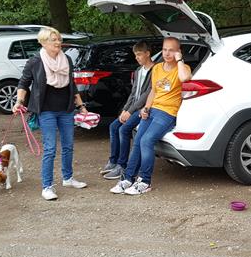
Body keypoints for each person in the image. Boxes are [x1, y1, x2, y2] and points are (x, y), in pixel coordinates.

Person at [12, 26, 88, 201]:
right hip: (46, 111)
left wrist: (81, 105)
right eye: (53, 40)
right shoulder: (35, 61)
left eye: (59, 39)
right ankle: (47, 186)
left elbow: (71, 84)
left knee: (68, 146)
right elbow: (23, 83)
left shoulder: (66, 59)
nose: (58, 42)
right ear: (43, 43)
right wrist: (18, 102)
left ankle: (68, 178)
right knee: (50, 149)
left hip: (66, 109)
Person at [110, 37, 191, 195]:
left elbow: (184, 78)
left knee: (147, 141)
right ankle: (128, 178)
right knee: (138, 141)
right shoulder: (158, 68)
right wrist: (146, 108)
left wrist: (179, 59)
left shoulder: (183, 67)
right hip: (152, 109)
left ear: (178, 52)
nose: (167, 53)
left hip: (168, 112)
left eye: (171, 50)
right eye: (165, 49)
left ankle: (145, 181)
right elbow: (154, 91)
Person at [100, 42, 156, 180]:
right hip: (132, 108)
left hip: (143, 108)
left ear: (147, 53)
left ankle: (122, 165)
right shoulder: (138, 70)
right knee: (113, 126)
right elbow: (133, 93)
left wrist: (130, 112)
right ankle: (113, 161)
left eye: (139, 54)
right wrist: (125, 110)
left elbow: (146, 95)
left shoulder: (155, 70)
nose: (137, 58)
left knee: (123, 130)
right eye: (135, 55)